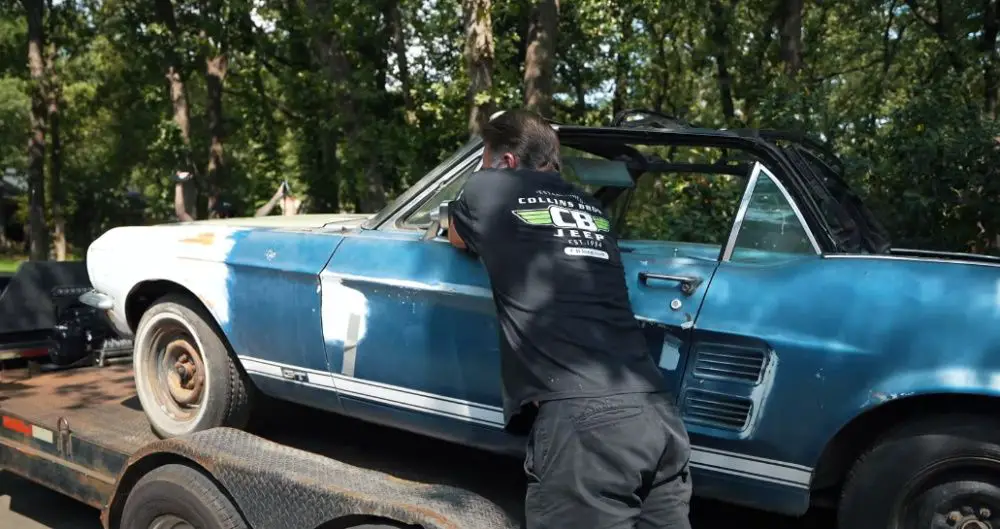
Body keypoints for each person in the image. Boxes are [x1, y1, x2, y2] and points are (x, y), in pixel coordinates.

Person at [447, 109, 693, 529]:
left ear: (505, 163)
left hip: (586, 426)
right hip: (658, 416)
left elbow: (456, 234)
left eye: (486, 160)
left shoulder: (491, 188)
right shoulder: (591, 206)